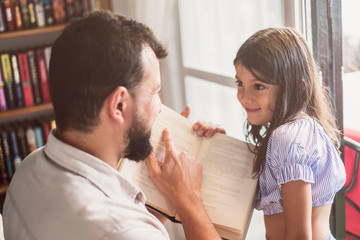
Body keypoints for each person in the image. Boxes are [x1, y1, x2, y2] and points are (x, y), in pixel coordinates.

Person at [3, 10, 221, 240]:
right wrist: (189, 199)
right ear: (119, 105)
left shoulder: (29, 168)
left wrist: (165, 193)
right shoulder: (125, 231)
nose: (160, 107)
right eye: (155, 91)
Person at [193, 27, 346, 240]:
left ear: (295, 87)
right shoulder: (301, 131)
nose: (244, 97)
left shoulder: (288, 138)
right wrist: (219, 147)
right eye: (240, 83)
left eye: (258, 86)